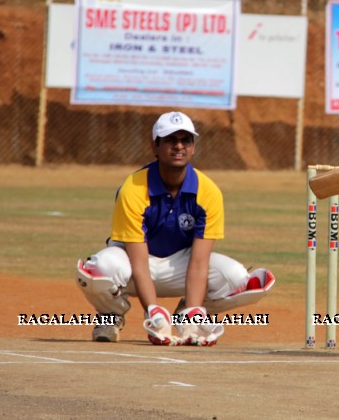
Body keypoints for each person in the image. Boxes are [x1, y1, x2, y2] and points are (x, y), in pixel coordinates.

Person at [75, 111, 275, 345]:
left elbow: (199, 262)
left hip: (182, 264)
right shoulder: (133, 188)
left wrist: (193, 312)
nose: (178, 146)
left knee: (239, 279)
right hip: (133, 263)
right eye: (170, 140)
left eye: (185, 140)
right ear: (155, 146)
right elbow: (139, 264)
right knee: (99, 268)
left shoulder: (208, 192)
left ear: (193, 147)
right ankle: (111, 316)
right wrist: (153, 313)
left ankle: (191, 315)